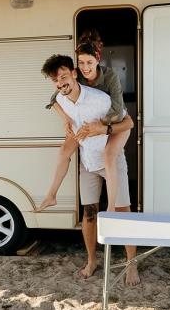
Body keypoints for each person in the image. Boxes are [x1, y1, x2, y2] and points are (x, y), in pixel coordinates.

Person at [40, 53, 140, 285]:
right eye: (56, 80)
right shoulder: (62, 99)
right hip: (88, 163)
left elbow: (127, 123)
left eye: (64, 77)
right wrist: (64, 119)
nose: (61, 83)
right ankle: (92, 260)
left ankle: (131, 264)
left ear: (74, 74)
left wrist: (101, 129)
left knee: (123, 213)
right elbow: (55, 102)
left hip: (111, 161)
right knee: (89, 213)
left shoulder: (99, 99)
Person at [37, 30, 132, 213]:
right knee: (64, 151)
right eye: (81, 63)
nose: (85, 67)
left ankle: (111, 208)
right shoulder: (73, 77)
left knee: (109, 157)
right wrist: (66, 119)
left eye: (89, 62)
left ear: (98, 60)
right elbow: (55, 99)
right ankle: (52, 195)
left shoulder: (109, 78)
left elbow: (120, 115)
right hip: (86, 124)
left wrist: (97, 126)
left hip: (114, 122)